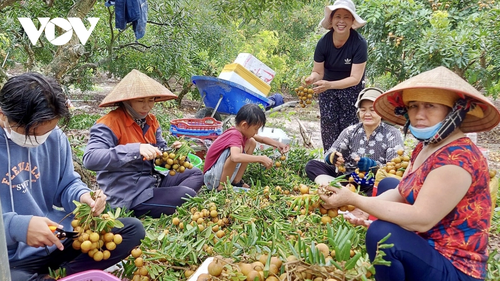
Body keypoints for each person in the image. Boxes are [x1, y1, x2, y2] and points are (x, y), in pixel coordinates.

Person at [319, 66, 500, 281]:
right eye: (413, 106)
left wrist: (354, 198)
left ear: (454, 111)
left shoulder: (459, 157)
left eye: (430, 106)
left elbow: (421, 219)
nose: (419, 114)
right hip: (427, 244)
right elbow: (400, 192)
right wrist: (361, 208)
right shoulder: (425, 147)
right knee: (388, 186)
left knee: (381, 234)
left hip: (455, 266)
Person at [0, 73, 145, 281]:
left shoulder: (55, 137)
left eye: (47, 132)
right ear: (3, 114)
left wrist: (83, 196)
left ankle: (63, 275)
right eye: (32, 133)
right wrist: (17, 227)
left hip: (55, 239)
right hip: (7, 256)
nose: (41, 140)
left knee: (132, 230)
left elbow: (66, 184)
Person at [83, 69, 204, 218]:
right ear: (126, 101)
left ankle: (164, 202)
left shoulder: (151, 121)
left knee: (196, 174)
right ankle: (156, 205)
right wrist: (136, 149)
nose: (147, 106)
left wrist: (175, 154)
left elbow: (160, 155)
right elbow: (90, 159)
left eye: (151, 100)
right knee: (186, 194)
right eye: (140, 101)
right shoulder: (109, 123)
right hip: (127, 193)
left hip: (151, 182)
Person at [305, 87, 404, 196]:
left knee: (389, 185)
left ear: (381, 112)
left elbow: (394, 168)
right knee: (312, 165)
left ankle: (343, 192)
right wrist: (332, 158)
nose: (367, 114)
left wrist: (374, 166)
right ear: (358, 111)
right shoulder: (351, 131)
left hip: (373, 181)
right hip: (349, 178)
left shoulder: (392, 133)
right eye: (363, 110)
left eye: (372, 110)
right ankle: (338, 188)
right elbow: (330, 153)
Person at [305, 0, 368, 150]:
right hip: (327, 90)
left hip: (351, 90)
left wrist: (329, 84)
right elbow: (318, 72)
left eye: (346, 17)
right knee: (328, 126)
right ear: (331, 20)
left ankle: (349, 166)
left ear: (352, 21)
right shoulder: (323, 43)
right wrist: (311, 78)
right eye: (337, 16)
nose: (341, 21)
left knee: (349, 128)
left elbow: (355, 79)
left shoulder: (359, 44)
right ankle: (330, 163)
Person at [203, 104, 290, 191]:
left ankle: (236, 181)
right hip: (211, 179)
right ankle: (222, 188)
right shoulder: (234, 135)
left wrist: (278, 144)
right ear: (244, 125)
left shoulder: (240, 131)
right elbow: (235, 157)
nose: (256, 132)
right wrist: (260, 158)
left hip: (216, 174)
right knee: (238, 150)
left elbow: (262, 139)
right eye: (255, 129)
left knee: (251, 142)